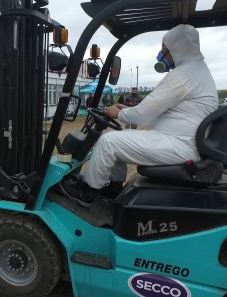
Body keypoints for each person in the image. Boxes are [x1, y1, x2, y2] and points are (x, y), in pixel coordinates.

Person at [58, 24, 218, 208]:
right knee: (117, 140)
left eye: (164, 49)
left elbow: (142, 115)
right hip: (181, 140)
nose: (161, 53)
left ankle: (87, 192)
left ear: (177, 48)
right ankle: (114, 188)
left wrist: (120, 113)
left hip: (180, 144)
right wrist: (125, 108)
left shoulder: (183, 75)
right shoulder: (196, 71)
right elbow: (155, 109)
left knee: (109, 142)